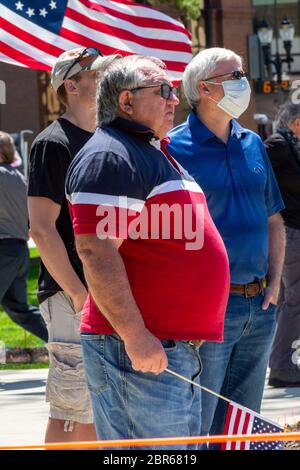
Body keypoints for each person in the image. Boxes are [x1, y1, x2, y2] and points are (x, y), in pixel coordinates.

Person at [65, 54, 230, 450]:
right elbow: (96, 251)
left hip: (167, 351)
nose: (175, 99)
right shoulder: (111, 155)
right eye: (163, 91)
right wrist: (136, 335)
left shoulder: (150, 151)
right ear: (126, 102)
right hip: (137, 352)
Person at [167, 47, 286, 447]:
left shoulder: (252, 142)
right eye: (234, 75)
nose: (244, 82)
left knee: (242, 425)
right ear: (204, 88)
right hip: (208, 309)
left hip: (259, 307)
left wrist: (273, 286)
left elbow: (274, 220)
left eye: (243, 74)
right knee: (200, 423)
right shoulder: (171, 148)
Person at [28, 47, 120, 444]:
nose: (105, 80)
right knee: (71, 407)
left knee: (97, 405)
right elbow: (43, 229)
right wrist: (79, 293)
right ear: (72, 84)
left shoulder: (107, 138)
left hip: (105, 291)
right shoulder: (53, 143)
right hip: (72, 294)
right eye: (97, 74)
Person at [265, 100, 300, 387]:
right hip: (288, 232)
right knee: (294, 300)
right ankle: (280, 363)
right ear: (297, 124)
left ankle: (279, 360)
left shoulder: (291, 147)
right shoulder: (278, 144)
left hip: (291, 232)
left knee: (287, 299)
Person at [0, 131, 47, 342]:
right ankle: (64, 341)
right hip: (19, 252)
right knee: (19, 308)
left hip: (2, 250)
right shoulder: (20, 178)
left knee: (19, 308)